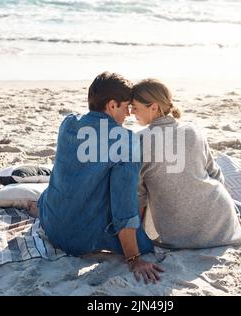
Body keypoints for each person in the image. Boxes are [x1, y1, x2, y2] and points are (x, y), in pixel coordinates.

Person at [130, 78, 241, 249]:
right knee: (201, 184)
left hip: (178, 238)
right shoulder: (193, 129)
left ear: (153, 107)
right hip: (223, 225)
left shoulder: (138, 140)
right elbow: (216, 175)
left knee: (169, 189)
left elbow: (139, 196)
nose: (131, 113)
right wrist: (231, 214)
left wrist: (136, 239)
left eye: (135, 107)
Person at [28, 72, 163, 284]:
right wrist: (134, 258)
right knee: (150, 239)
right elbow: (124, 206)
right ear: (112, 105)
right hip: (80, 240)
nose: (128, 113)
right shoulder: (125, 141)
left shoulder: (69, 123)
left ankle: (38, 207)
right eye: (126, 106)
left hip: (52, 224)